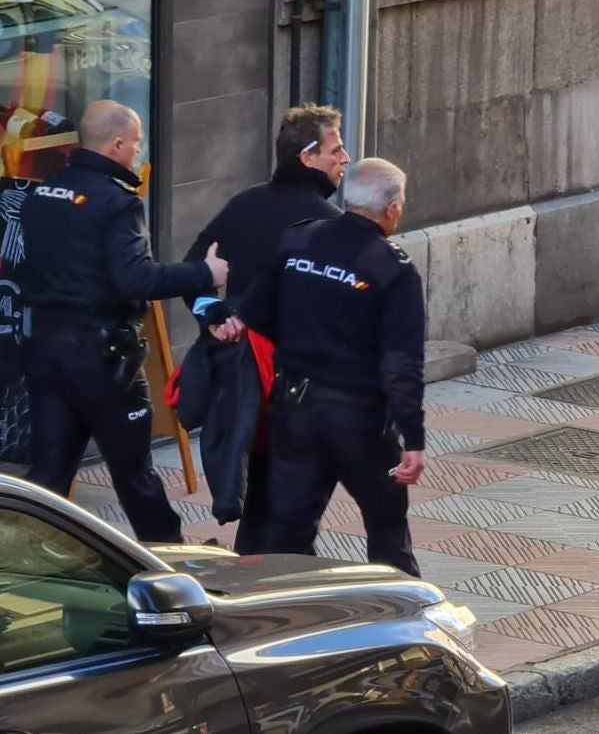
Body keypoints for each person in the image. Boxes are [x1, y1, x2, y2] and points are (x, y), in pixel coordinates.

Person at [18, 99, 228, 542]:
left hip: (45, 348)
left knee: (49, 473)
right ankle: (171, 565)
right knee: (135, 473)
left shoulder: (42, 190)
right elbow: (136, 279)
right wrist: (205, 273)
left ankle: (30, 564)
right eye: (134, 143)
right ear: (115, 145)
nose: (137, 152)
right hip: (101, 358)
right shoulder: (118, 203)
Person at [238, 157, 426, 576]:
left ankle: (277, 616)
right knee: (387, 532)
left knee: (286, 531)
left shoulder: (299, 241)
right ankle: (407, 624)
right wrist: (413, 438)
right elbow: (402, 364)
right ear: (392, 207)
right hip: (358, 420)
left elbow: (255, 312)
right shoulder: (391, 268)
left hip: (294, 412)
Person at [178, 103, 347, 552]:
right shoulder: (329, 226)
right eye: (336, 150)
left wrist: (214, 315)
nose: (345, 160)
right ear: (307, 158)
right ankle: (273, 595)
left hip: (245, 389)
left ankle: (256, 572)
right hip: (295, 393)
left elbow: (195, 266)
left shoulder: (244, 204)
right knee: (293, 516)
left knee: (267, 501)